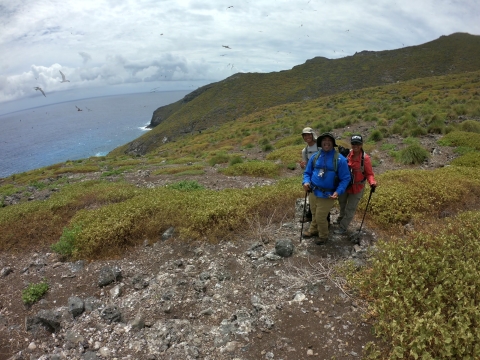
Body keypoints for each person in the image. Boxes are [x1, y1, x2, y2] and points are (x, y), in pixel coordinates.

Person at [302, 132, 351, 244]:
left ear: (333, 143)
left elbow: (345, 178)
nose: (326, 142)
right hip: (313, 191)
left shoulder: (340, 159)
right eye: (324, 140)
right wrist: (305, 182)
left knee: (320, 217)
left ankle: (323, 236)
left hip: (327, 194)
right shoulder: (315, 156)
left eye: (329, 140)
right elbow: (307, 172)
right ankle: (313, 230)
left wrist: (338, 192)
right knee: (314, 213)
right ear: (320, 143)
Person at [334, 134, 377, 235]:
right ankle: (340, 218)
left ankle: (343, 227)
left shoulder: (365, 159)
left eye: (357, 144)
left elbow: (369, 174)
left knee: (350, 208)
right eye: (353, 143)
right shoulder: (347, 154)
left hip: (357, 187)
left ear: (361, 144)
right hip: (345, 184)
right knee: (342, 203)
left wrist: (372, 182)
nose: (355, 146)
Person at [299, 127, 318, 222]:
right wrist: (303, 167)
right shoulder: (304, 151)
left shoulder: (321, 146)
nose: (307, 137)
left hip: (323, 176)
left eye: (308, 135)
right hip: (312, 177)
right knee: (312, 197)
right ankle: (310, 216)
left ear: (312, 135)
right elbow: (306, 166)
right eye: (305, 135)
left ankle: (323, 220)